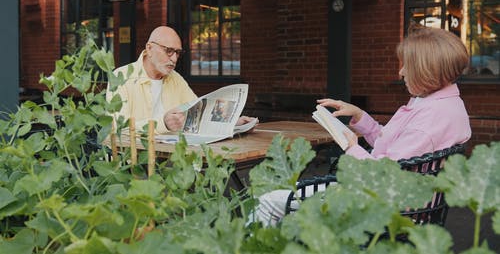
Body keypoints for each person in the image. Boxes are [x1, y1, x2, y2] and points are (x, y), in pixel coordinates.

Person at [251, 24, 472, 227]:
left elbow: (381, 176)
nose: (401, 72)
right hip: (406, 202)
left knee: (268, 202)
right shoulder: (443, 105)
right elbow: (398, 150)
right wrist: (360, 117)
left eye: (407, 66)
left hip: (386, 208)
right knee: (286, 205)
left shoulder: (427, 120)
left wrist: (351, 147)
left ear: (428, 71)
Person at [106, 26, 255, 133]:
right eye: (169, 51)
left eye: (177, 53)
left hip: (170, 160)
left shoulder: (175, 78)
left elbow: (198, 113)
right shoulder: (122, 77)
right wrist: (163, 123)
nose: (174, 58)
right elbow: (117, 129)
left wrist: (233, 122)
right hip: (131, 165)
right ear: (149, 48)